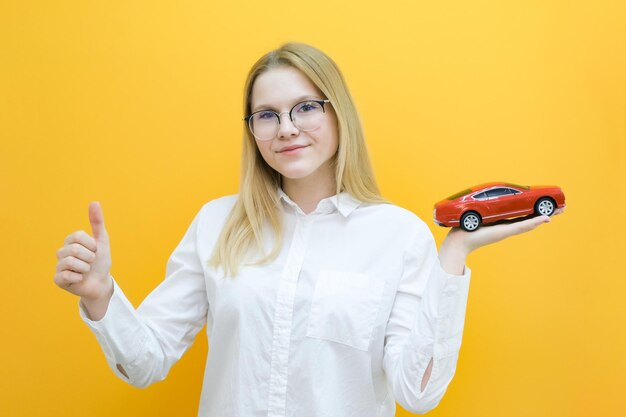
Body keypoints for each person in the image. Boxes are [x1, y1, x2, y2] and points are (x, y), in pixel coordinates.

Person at [54, 42, 561, 417]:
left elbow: (418, 393)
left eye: (305, 107)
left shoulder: (399, 236)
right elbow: (146, 363)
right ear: (253, 132)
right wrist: (101, 298)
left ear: (338, 114)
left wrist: (454, 255)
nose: (287, 128)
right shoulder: (217, 224)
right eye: (266, 115)